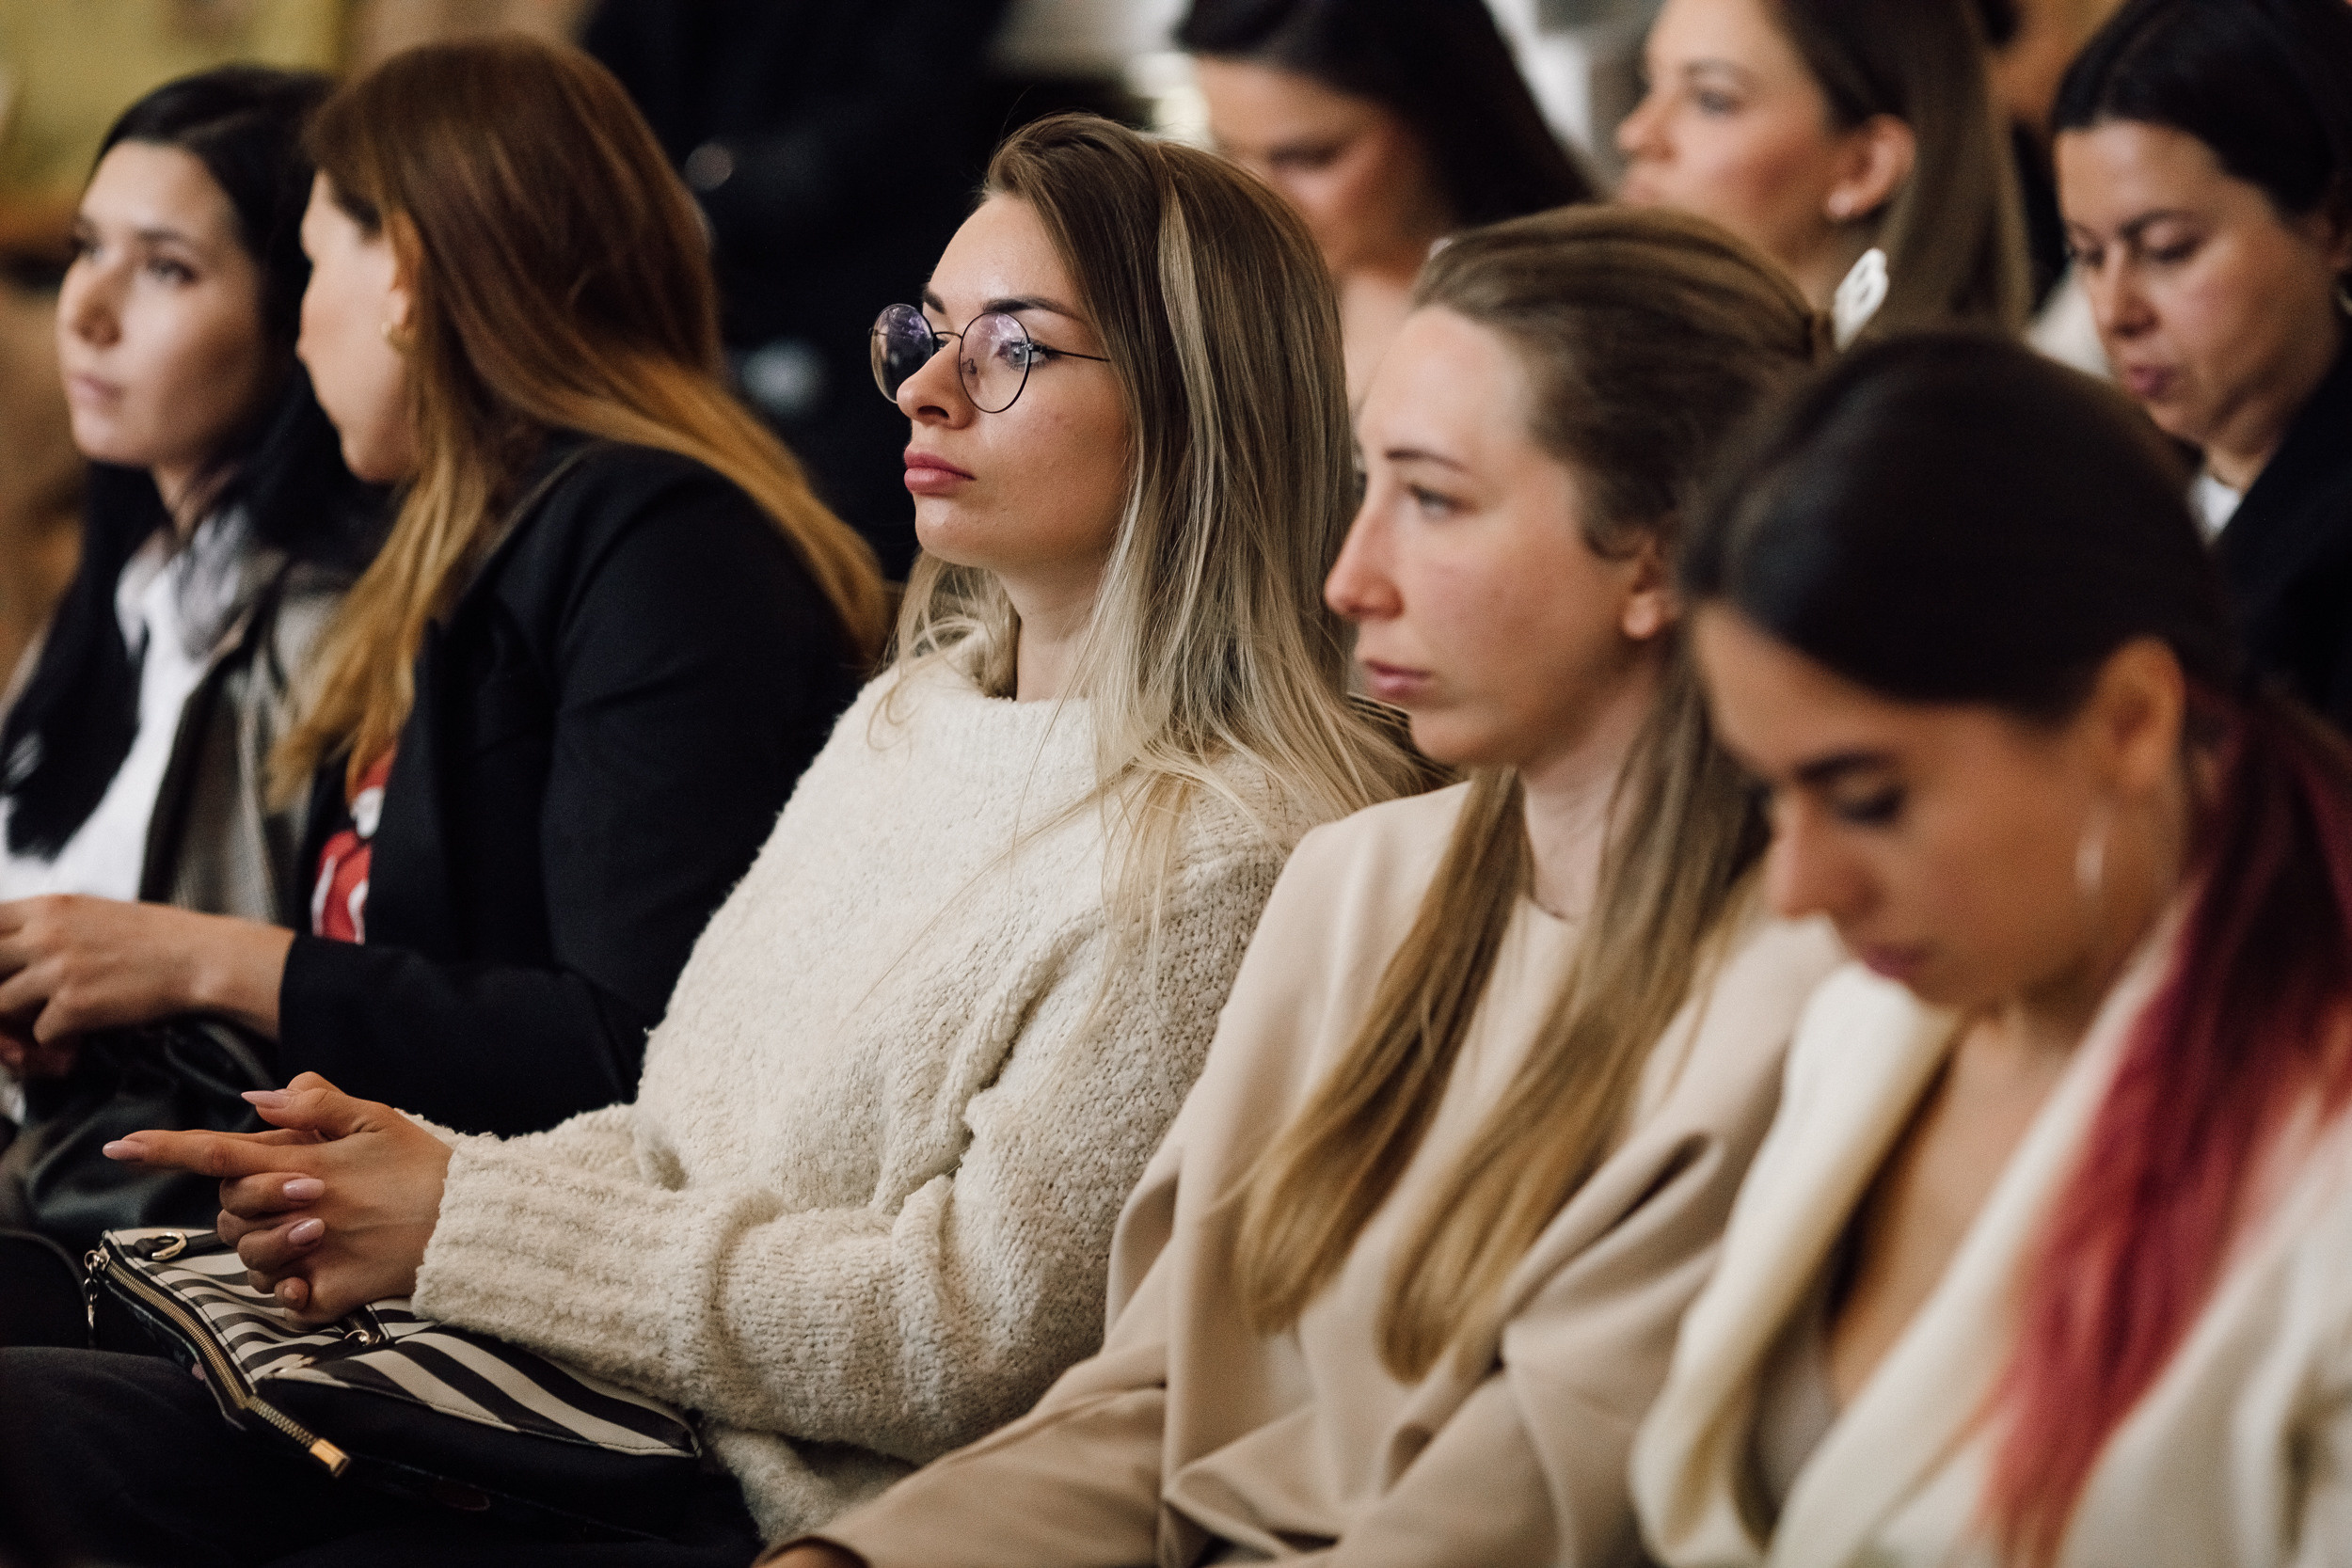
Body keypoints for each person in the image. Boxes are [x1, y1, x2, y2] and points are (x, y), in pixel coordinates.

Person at [3, 110, 1422, 1563]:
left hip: (744, 1502)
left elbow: (968, 1338)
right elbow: (681, 1126)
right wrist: (391, 1177)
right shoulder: (916, 714)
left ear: (1198, 404)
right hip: (597, 1401)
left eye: (1012, 346)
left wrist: (464, 1218)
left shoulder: (1228, 848)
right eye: (923, 331)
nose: (927, 388)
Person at [761, 206, 1845, 1568]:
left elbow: (1527, 1503)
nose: (1352, 576)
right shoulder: (1360, 883)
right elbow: (1153, 1399)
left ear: (1659, 554)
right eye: (1365, 482)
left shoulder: (1806, 995)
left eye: (1434, 499)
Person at [0, 40, 887, 1148]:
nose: (303, 323)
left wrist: (203, 958)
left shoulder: (660, 541)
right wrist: (138, 1008)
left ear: (406, 279)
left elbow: (639, 1050)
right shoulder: (468, 545)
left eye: (315, 268)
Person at [1631, 333, 2352, 1566]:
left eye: (1864, 796)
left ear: (2128, 718)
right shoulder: (1872, 1019)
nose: (1797, 885)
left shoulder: (2320, 1169)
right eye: (1768, 795)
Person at [2054, 0, 2352, 728]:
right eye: (2087, 256)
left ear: (2335, 225)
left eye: (2167, 250)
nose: (2116, 312)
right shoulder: (2114, 493)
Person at [1177, 0, 1592, 403]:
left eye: (1310, 157)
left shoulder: (1563, 328)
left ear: (1437, 113)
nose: (1258, 197)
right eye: (1226, 151)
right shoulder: (1226, 304)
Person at [1617, 0, 2030, 336]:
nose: (1635, 134)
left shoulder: (1916, 430)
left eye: (1712, 100)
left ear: (1864, 167)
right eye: (1650, 84)